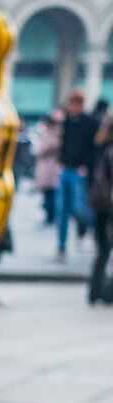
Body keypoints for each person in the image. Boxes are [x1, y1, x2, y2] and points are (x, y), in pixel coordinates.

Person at [57, 91, 98, 257]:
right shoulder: (67, 121)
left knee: (80, 208)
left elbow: (92, 148)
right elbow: (64, 144)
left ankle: (93, 231)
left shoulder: (89, 122)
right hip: (65, 168)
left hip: (79, 171)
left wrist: (86, 167)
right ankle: (61, 245)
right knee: (62, 209)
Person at [89, 108, 113, 308]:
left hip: (100, 204)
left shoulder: (102, 144)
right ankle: (102, 290)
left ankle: (96, 290)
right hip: (108, 205)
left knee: (103, 249)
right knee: (105, 248)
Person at [34, 108, 63, 226]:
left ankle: (51, 216)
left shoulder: (55, 135)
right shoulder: (53, 134)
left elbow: (40, 150)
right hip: (48, 168)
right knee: (48, 193)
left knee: (50, 194)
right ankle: (50, 215)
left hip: (51, 168)